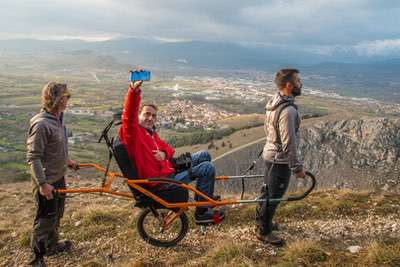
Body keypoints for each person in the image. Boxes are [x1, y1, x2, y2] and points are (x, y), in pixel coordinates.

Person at [118, 79, 224, 224]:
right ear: (139, 115)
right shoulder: (133, 134)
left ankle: (204, 197)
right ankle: (202, 212)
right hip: (161, 182)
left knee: (205, 154)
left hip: (168, 172)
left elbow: (168, 149)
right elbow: (128, 117)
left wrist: (164, 154)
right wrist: (133, 91)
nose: (150, 118)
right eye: (147, 114)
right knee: (207, 168)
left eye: (153, 116)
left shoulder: (151, 134)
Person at [26, 82, 79, 266]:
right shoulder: (41, 124)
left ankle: (52, 245)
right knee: (45, 219)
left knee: (57, 214)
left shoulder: (59, 118)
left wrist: (67, 161)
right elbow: (34, 157)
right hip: (46, 182)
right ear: (55, 99)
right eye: (65, 96)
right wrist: (42, 183)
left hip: (58, 178)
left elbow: (55, 148)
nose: (68, 99)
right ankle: (36, 258)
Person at [255, 68, 306, 246]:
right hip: (279, 160)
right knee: (274, 195)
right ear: (289, 85)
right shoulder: (288, 111)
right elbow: (289, 144)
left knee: (266, 191)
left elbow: (268, 130)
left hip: (269, 154)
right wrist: (297, 168)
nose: (301, 84)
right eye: (299, 81)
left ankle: (262, 222)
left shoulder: (273, 103)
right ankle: (264, 232)